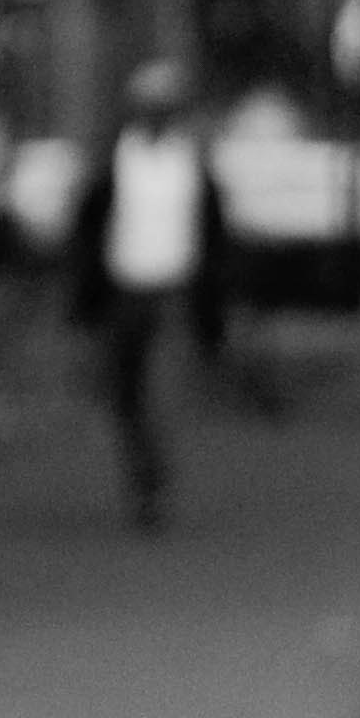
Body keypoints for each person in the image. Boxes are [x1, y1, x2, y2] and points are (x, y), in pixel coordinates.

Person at [69, 58, 227, 530]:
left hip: (173, 296)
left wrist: (214, 305)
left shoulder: (194, 167)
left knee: (163, 391)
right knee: (124, 393)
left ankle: (155, 484)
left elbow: (215, 238)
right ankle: (140, 474)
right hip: (123, 293)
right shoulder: (112, 163)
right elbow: (86, 232)